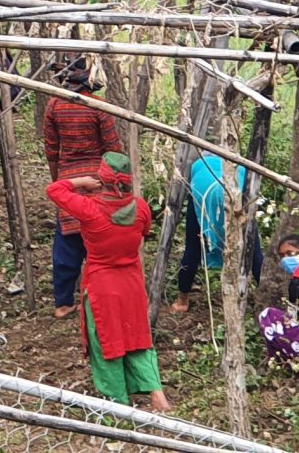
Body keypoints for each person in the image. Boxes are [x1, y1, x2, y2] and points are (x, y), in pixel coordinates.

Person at [45, 152, 170, 411]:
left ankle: (118, 404)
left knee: (106, 341)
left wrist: (80, 182)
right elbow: (143, 232)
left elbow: (54, 190)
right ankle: (156, 392)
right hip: (132, 284)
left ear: (101, 178)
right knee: (138, 337)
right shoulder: (141, 207)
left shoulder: (90, 209)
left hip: (102, 286)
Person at [41, 58, 124, 318]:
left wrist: (60, 181)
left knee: (67, 242)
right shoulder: (99, 107)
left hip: (69, 178)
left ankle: (63, 303)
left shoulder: (54, 106)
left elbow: (51, 150)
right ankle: (101, 296)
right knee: (99, 240)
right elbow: (113, 149)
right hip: (99, 179)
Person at [169, 153, 253, 313]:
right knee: (251, 246)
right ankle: (265, 299)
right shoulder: (240, 164)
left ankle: (182, 301)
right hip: (236, 191)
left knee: (193, 247)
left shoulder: (198, 164)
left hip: (203, 191)